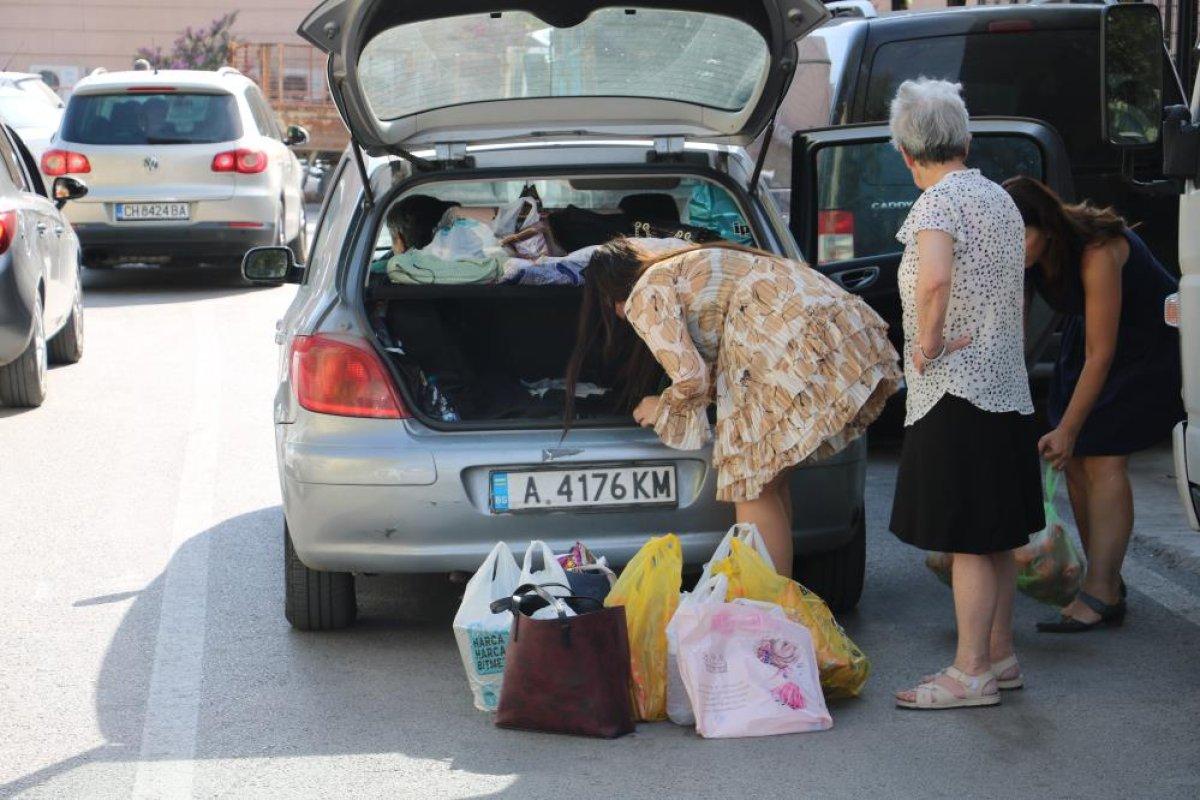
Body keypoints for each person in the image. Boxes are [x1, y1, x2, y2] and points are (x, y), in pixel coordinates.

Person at [562, 240, 901, 576]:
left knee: (751, 490)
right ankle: (777, 600)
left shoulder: (644, 292)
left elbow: (691, 377)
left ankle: (765, 602)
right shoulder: (681, 264)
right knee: (768, 485)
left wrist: (660, 406)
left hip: (784, 351)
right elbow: (712, 366)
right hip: (826, 333)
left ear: (607, 297)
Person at [885, 79, 1044, 710]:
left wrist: (926, 347)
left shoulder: (937, 206)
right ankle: (1000, 655)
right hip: (1004, 385)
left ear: (905, 152)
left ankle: (970, 671)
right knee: (996, 531)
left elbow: (934, 281)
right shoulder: (998, 199)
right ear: (965, 139)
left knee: (970, 537)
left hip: (956, 389)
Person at [1004, 176, 1183, 633]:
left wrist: (1068, 428)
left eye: (1020, 235)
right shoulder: (1026, 255)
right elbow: (1015, 337)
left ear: (1047, 226)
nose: (1013, 248)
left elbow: (1102, 354)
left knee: (1102, 458)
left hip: (1144, 348)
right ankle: (1104, 583)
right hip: (1090, 345)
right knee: (1074, 462)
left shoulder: (1097, 251)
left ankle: (1102, 590)